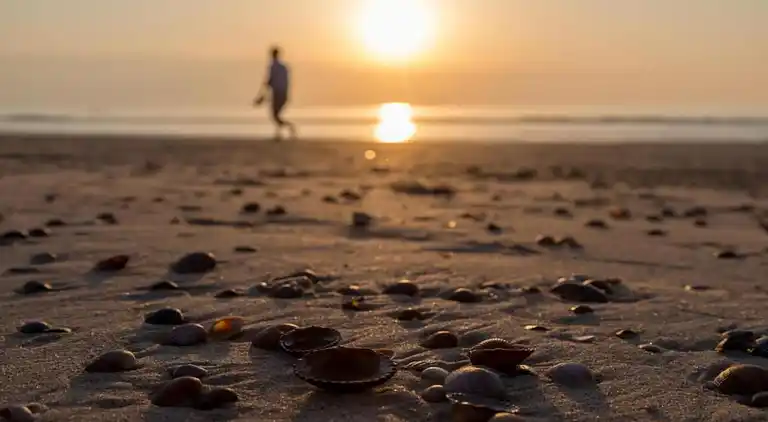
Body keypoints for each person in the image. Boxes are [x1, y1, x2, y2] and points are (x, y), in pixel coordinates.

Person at [254, 46, 296, 140]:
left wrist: (261, 94)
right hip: (283, 93)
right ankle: (281, 131)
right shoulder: (284, 67)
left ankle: (287, 128)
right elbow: (286, 82)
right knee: (276, 114)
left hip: (277, 93)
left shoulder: (273, 66)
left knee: (275, 114)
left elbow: (269, 81)